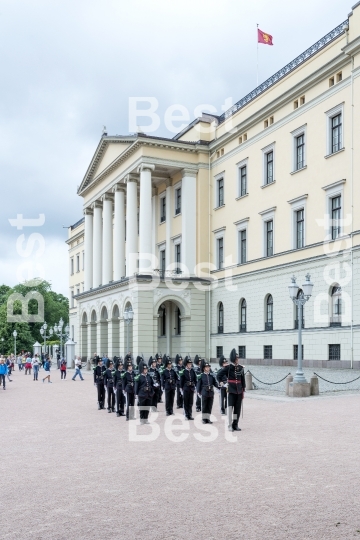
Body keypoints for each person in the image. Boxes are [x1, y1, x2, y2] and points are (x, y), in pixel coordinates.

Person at [217, 348, 245, 432]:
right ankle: (229, 425)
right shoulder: (228, 368)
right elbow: (218, 375)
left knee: (237, 409)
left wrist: (243, 389)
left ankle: (235, 424)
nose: (238, 360)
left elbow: (242, 380)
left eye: (238, 358)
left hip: (239, 391)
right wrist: (222, 383)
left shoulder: (240, 368)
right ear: (233, 359)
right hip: (231, 390)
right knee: (230, 409)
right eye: (236, 358)